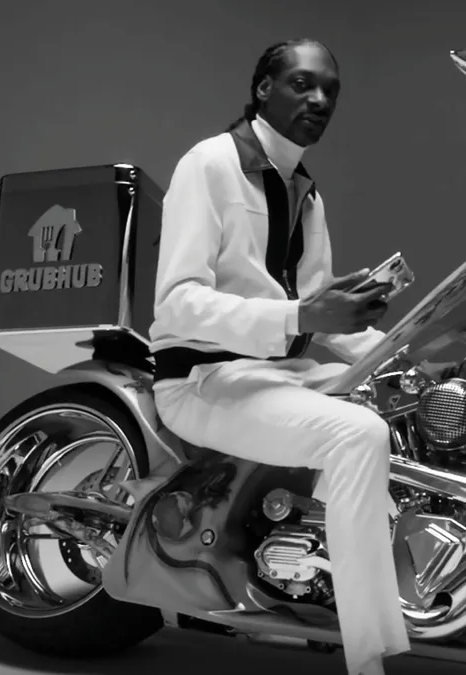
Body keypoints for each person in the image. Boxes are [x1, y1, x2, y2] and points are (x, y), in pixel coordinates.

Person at [147, 38, 412, 675]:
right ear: (264, 87)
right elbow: (177, 304)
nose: (319, 100)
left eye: (330, 91)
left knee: (409, 410)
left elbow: (320, 309)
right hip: (202, 377)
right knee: (356, 436)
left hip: (278, 373)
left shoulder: (305, 192)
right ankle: (369, 659)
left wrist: (407, 352)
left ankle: (327, 589)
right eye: (301, 84)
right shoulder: (209, 164)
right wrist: (302, 316)